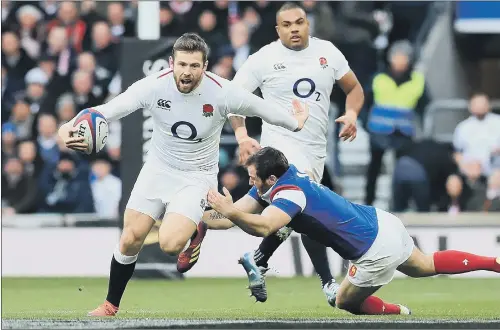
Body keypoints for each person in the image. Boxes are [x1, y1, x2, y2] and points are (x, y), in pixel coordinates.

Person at [57, 33, 309, 317]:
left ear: (205, 66)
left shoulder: (222, 92)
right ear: (171, 63)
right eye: (182, 64)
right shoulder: (154, 86)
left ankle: (196, 227)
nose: (186, 72)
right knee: (129, 238)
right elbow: (106, 111)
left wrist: (296, 123)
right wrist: (66, 128)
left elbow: (264, 110)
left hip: (196, 177)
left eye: (194, 66)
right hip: (157, 169)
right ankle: (110, 305)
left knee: (169, 245)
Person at [177, 2, 364, 307]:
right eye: (287, 24)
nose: (294, 29)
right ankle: (324, 282)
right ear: (278, 29)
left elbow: (354, 88)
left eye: (299, 22)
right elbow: (233, 100)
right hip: (279, 152)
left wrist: (352, 113)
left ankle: (203, 222)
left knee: (243, 212)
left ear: (308, 24)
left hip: (315, 151)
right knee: (305, 208)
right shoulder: (263, 59)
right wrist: (241, 135)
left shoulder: (328, 53)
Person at [206, 147, 500, 315]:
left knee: (344, 301)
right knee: (424, 265)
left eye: (253, 178)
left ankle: (398, 313)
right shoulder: (291, 172)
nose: (250, 182)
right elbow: (234, 217)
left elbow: (265, 226)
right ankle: (494, 263)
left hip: (373, 250)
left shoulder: (290, 195)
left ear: (270, 177)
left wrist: (231, 210)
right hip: (382, 222)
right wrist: (201, 217)